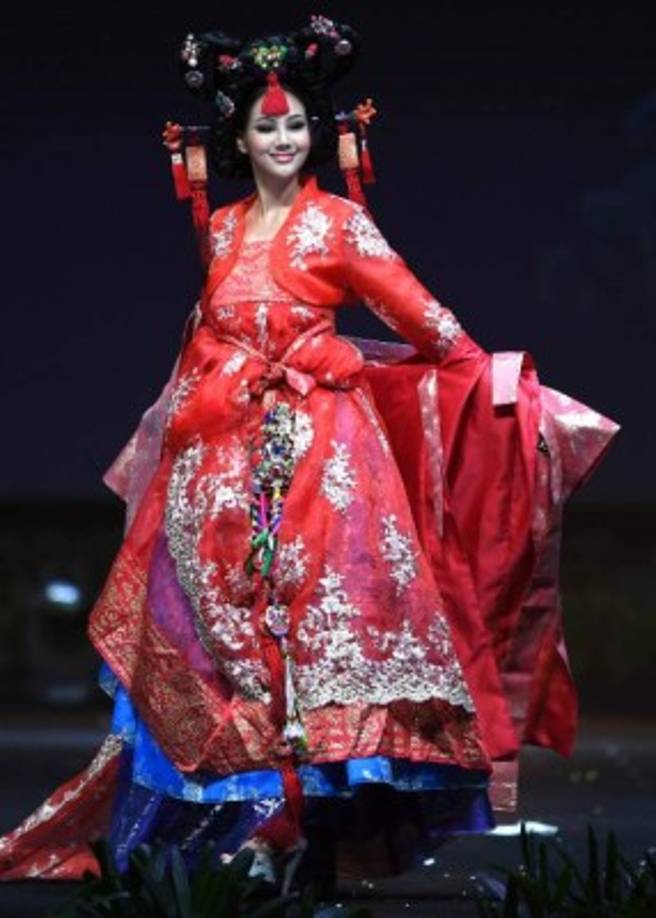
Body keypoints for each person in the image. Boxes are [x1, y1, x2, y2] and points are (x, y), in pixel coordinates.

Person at [0, 14, 619, 891]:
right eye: (266, 126)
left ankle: (293, 831)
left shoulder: (341, 228)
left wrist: (441, 382)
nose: (284, 138)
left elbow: (437, 331)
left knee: (311, 644)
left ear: (315, 133)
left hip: (325, 468)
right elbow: (201, 344)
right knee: (228, 648)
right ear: (239, 137)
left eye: (296, 125)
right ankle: (261, 824)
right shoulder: (219, 230)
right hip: (218, 467)